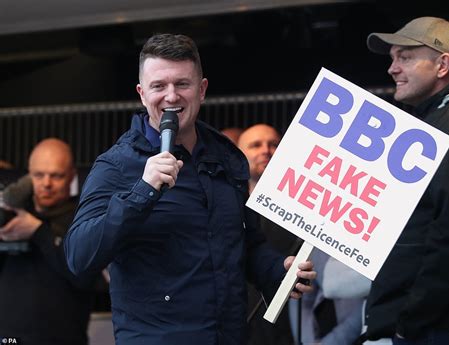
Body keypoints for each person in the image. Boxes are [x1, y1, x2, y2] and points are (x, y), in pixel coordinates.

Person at [64, 33, 315, 345]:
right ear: (142, 94)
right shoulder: (116, 166)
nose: (171, 96)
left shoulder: (226, 157)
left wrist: (278, 271)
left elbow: (247, 244)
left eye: (182, 84)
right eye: (159, 86)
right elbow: (78, 256)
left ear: (202, 89)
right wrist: (142, 191)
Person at [364, 17, 449, 344]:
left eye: (406, 57)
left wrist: (407, 322)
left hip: (436, 330)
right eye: (392, 58)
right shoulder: (442, 121)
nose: (392, 68)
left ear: (442, 65)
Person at [0, 138, 98, 345]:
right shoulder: (12, 214)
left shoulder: (84, 217)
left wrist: (37, 231)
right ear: (28, 175)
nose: (46, 183)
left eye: (56, 176)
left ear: (72, 175)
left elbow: (83, 274)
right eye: (38, 175)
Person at [238, 123, 299, 345]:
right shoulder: (227, 207)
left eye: (273, 144)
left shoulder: (302, 210)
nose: (266, 150)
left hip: (292, 324)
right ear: (238, 153)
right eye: (255, 145)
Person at [289, 249, 365, 345]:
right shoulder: (317, 248)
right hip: (318, 329)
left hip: (356, 333)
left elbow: (365, 306)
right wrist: (308, 341)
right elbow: (301, 298)